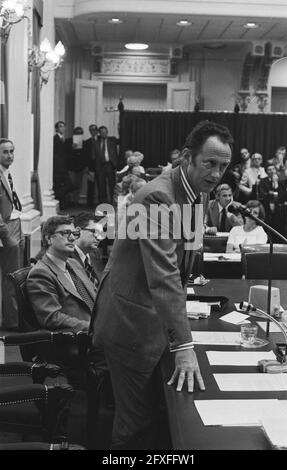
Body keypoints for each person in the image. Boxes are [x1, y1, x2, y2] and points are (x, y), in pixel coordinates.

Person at [90, 120, 233, 449]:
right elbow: (164, 274)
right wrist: (183, 346)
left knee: (159, 418)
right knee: (135, 427)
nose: (216, 173)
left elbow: (186, 260)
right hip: (131, 324)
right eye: (209, 163)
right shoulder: (156, 196)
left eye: (223, 166)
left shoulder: (196, 193)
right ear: (187, 156)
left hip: (153, 319)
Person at [27, 216, 96, 334]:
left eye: (74, 233)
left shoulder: (74, 263)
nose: (72, 238)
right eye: (65, 233)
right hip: (79, 339)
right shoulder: (40, 273)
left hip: (100, 329)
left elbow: (94, 295)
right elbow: (52, 318)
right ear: (49, 239)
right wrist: (92, 327)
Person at [0, 138, 24, 329]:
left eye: (12, 151)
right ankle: (13, 322)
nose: (10, 156)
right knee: (10, 277)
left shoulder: (6, 173)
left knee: (16, 275)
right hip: (7, 230)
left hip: (16, 225)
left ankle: (15, 317)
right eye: (5, 152)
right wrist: (6, 235)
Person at [72, 211, 105, 281]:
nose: (100, 238)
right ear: (78, 231)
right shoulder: (67, 257)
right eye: (95, 232)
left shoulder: (95, 253)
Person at [96, 126, 118, 204]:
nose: (104, 134)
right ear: (99, 133)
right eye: (102, 132)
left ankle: (113, 202)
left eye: (105, 132)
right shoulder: (96, 141)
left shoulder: (112, 140)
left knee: (112, 185)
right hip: (100, 166)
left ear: (107, 132)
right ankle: (103, 204)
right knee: (101, 186)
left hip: (110, 165)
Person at [65, 126, 86, 205]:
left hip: (80, 167)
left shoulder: (84, 142)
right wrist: (72, 148)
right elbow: (65, 153)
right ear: (73, 133)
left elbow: (85, 155)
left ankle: (75, 200)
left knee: (78, 184)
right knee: (71, 183)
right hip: (70, 166)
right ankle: (70, 200)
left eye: (80, 133)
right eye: (77, 133)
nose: (78, 134)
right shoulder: (68, 141)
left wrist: (85, 167)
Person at [53, 121, 70, 210]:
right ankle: (60, 205)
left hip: (63, 168)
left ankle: (62, 204)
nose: (62, 128)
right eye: (60, 126)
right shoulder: (55, 138)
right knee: (58, 186)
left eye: (63, 126)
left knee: (66, 185)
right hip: (58, 168)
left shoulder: (63, 139)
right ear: (56, 128)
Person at [84, 124, 100, 207]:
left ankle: (101, 202)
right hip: (91, 166)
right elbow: (85, 155)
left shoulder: (101, 140)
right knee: (90, 185)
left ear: (97, 131)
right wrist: (87, 166)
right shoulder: (87, 142)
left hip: (100, 166)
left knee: (100, 184)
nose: (92, 131)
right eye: (90, 130)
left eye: (94, 129)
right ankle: (89, 203)